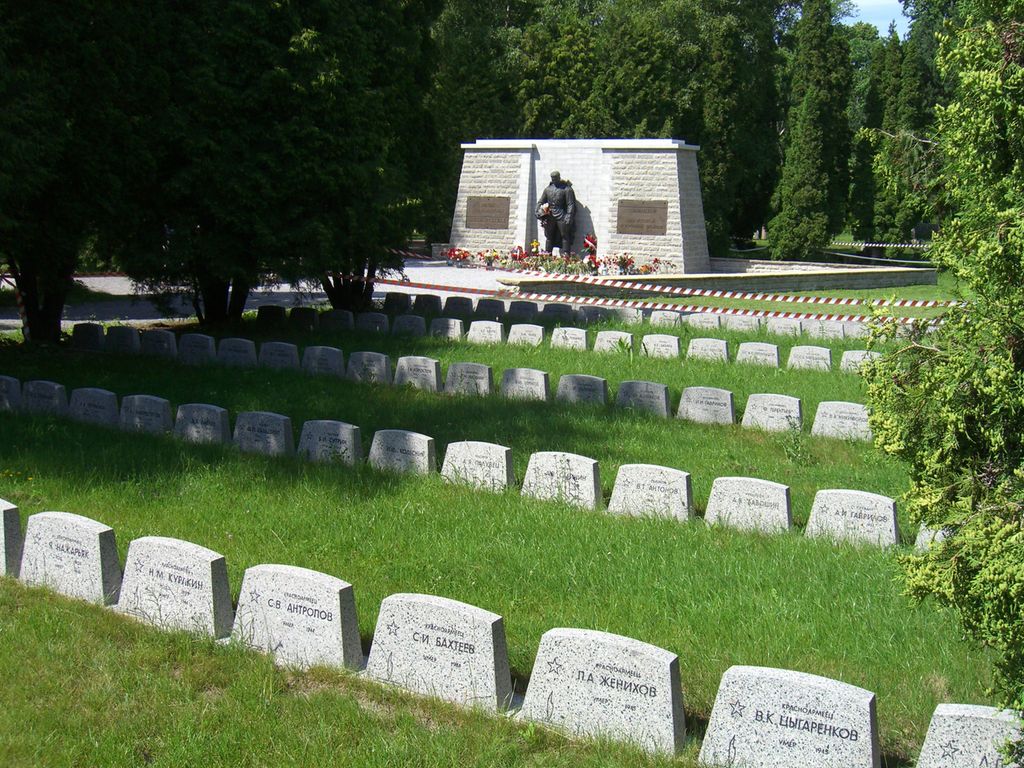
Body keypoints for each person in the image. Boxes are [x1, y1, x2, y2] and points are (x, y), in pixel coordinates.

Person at [536, 171, 576, 252]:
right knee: (549, 236)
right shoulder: (548, 189)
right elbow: (541, 201)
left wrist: (569, 215)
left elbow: (570, 204)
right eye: (552, 178)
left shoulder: (566, 189)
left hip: (562, 215)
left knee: (565, 235)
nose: (554, 180)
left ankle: (566, 255)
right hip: (550, 215)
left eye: (556, 178)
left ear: (559, 177)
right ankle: (547, 255)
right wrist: (536, 209)